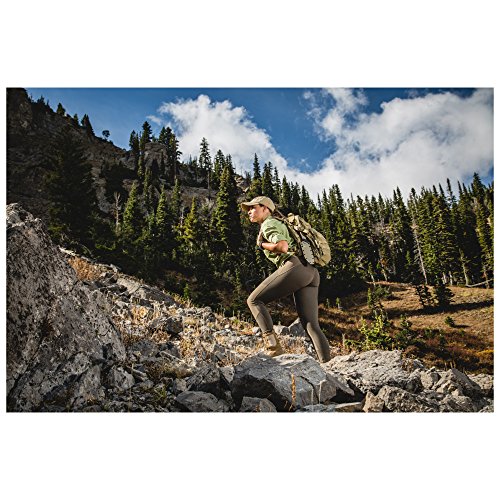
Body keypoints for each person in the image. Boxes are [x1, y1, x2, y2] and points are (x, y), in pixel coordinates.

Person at [241, 195, 331, 363]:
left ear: (265, 209)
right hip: (311, 272)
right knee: (311, 324)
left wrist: (262, 244)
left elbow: (282, 247)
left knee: (254, 300)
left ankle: (274, 348)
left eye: (253, 207)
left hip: (295, 266)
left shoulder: (269, 224)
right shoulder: (281, 223)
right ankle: (328, 364)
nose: (249, 211)